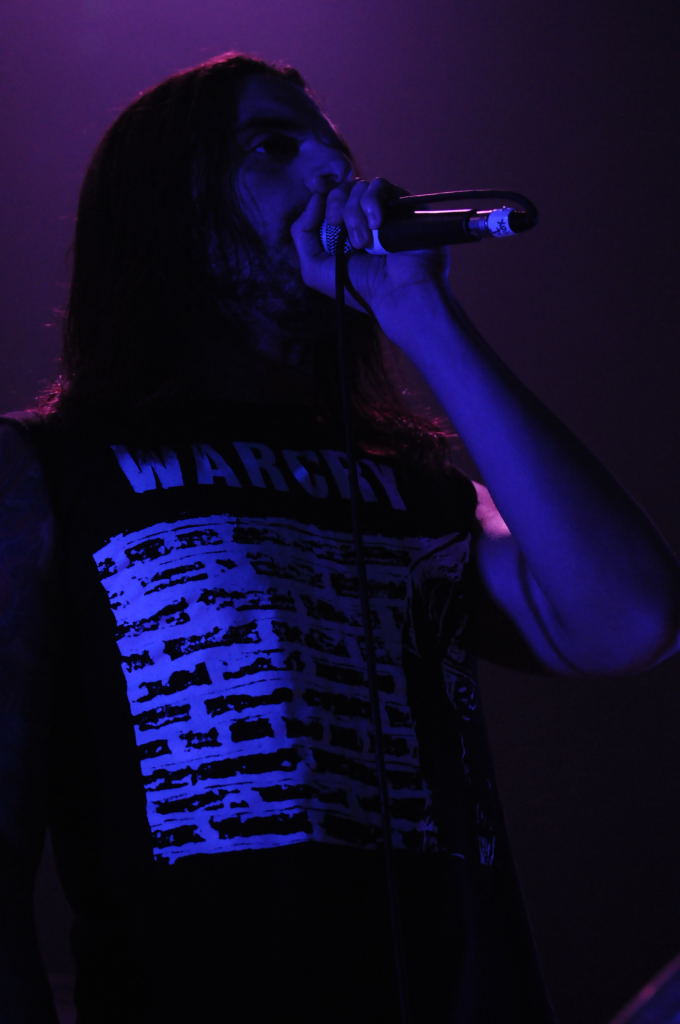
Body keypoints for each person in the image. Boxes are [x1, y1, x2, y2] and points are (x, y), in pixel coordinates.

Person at [0, 52, 677, 1024]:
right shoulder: (50, 468)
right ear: (168, 205)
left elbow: (633, 620)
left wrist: (419, 312)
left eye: (335, 147)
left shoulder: (418, 490)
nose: (334, 170)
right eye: (274, 145)